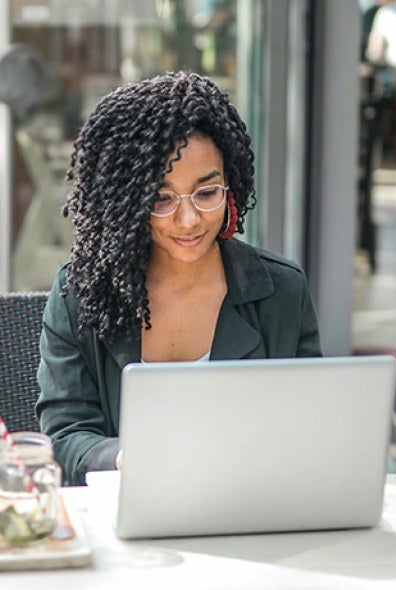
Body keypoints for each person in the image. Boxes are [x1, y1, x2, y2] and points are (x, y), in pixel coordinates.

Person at [35, 71, 322, 486]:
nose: (188, 221)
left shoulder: (281, 291)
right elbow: (64, 437)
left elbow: (310, 429)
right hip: (126, 516)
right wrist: (124, 458)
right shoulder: (81, 293)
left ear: (231, 187)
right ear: (126, 202)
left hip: (252, 508)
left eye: (207, 193)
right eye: (160, 198)